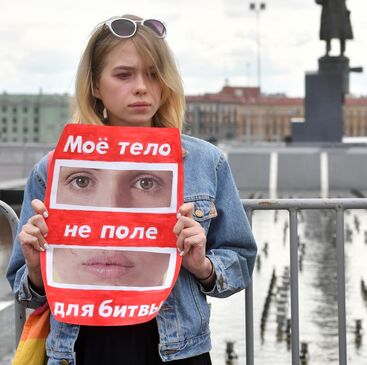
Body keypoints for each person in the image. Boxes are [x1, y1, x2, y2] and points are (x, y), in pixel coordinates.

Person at [6, 15, 257, 364]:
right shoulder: (53, 169)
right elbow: (23, 286)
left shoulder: (206, 162)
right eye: (124, 75)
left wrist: (203, 266)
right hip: (81, 348)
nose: (142, 87)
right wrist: (36, 268)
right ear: (95, 85)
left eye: (154, 74)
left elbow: (241, 262)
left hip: (175, 349)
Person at [55, 166, 174, 208]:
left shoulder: (191, 160)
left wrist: (192, 264)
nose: (112, 207)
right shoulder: (49, 167)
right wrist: (36, 264)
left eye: (146, 183)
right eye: (82, 182)